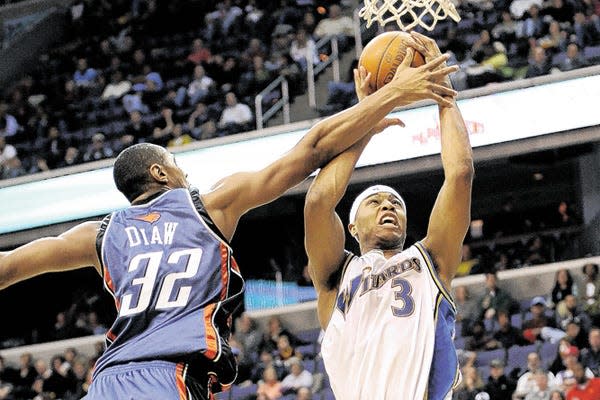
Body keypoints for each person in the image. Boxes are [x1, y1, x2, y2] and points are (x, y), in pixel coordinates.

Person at [0, 45, 457, 399]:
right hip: (169, 375)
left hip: (107, 380)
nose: (185, 172)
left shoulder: (99, 235)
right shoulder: (207, 206)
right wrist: (388, 97)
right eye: (177, 164)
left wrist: (365, 119)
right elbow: (311, 151)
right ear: (161, 173)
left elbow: (11, 267)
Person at [304, 31, 467, 400]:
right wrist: (367, 121)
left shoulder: (429, 259)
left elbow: (459, 175)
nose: (388, 206)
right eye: (374, 202)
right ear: (352, 225)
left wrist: (443, 92)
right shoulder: (336, 276)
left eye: (395, 204)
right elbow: (317, 203)